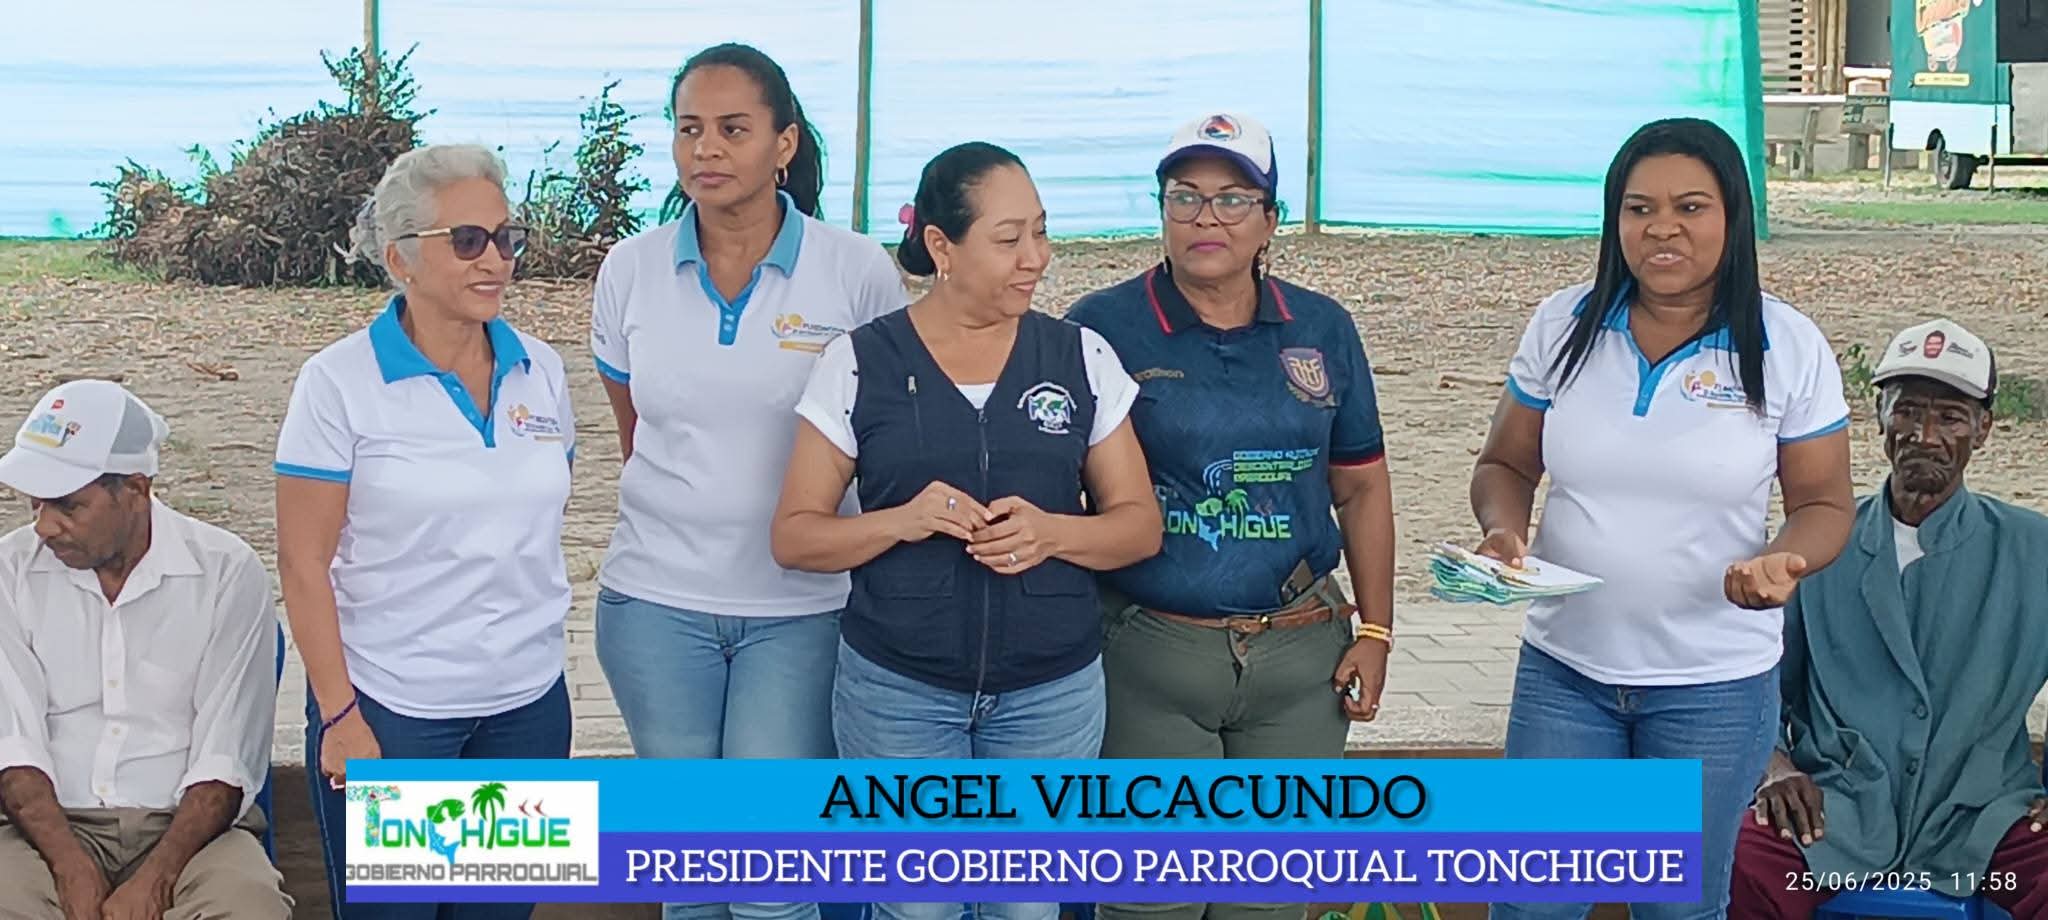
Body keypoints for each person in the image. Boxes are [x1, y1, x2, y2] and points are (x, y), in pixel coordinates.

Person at [1468, 116, 1856, 920]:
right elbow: (1506, 464)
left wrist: (1784, 561)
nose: (1662, 228)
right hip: (1565, 676)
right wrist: (1504, 532)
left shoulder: (1786, 345)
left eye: (1690, 207)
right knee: (1534, 904)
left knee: (1676, 908)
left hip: (1712, 690)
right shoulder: (1563, 324)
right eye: (1639, 209)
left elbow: (1823, 503)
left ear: (1733, 216)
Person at [770, 140, 1161, 920]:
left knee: (1027, 907)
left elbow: (1139, 527)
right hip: (899, 693)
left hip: (1050, 694)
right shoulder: (860, 362)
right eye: (1009, 239)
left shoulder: (1079, 357)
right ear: (941, 247)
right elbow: (797, 536)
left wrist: (1053, 533)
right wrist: (901, 520)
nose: (1035, 258)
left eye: (1041, 232)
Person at [586, 45, 906, 920]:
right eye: (689, 128)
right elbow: (637, 433)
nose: (707, 149)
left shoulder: (856, 270)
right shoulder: (629, 268)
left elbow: (885, 443)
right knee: (689, 880)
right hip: (653, 609)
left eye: (733, 129)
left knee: (773, 883)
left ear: (784, 144)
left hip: (805, 611)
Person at [1063, 111, 1397, 920]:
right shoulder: (1102, 326)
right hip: (1151, 653)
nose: (1205, 218)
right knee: (1151, 904)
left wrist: (1378, 631)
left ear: (1270, 220)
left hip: (1301, 659)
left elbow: (1361, 488)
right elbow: (1064, 493)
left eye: (1233, 199)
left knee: (1269, 902)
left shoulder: (1321, 327)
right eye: (1185, 197)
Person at [277, 143, 575, 920]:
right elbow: (304, 564)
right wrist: (340, 716)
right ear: (399, 259)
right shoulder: (337, 383)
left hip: (527, 713)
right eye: (468, 240)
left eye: (506, 238)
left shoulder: (542, 371)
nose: (496, 260)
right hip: (393, 714)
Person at [1732, 319, 2048, 918]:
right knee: (1734, 863)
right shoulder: (1817, 543)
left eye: (1950, 417)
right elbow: (1757, 676)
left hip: (1981, 819)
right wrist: (1773, 764)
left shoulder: (2033, 550)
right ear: (1879, 418)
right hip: (1835, 812)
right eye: (1907, 411)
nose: (1924, 435)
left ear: (1984, 429)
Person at [0, 379, 290, 920]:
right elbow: (12, 748)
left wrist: (156, 879)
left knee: (248, 906)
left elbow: (224, 759)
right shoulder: (9, 571)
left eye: (67, 505)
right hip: (45, 825)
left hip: (189, 829)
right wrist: (70, 867)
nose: (43, 526)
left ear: (135, 488)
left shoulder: (224, 572)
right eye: (35, 502)